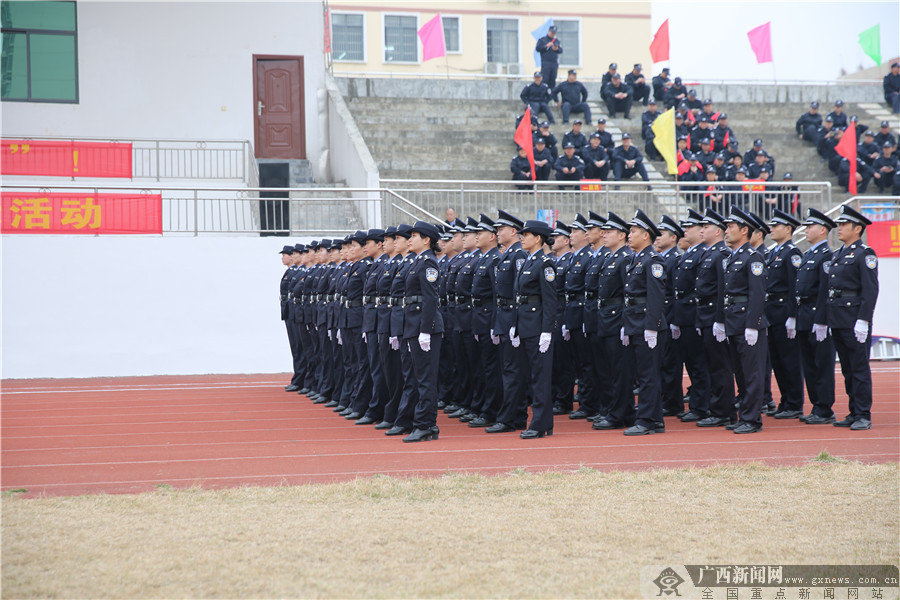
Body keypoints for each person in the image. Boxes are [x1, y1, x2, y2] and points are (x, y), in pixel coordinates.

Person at [826, 205, 879, 431]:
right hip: (838, 317)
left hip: (854, 317)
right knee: (847, 368)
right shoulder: (839, 254)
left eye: (844, 224)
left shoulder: (864, 254)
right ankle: (853, 410)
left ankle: (863, 413)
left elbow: (870, 290)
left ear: (858, 229)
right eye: (838, 224)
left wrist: (864, 320)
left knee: (858, 368)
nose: (839, 228)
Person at [619, 209, 667, 435]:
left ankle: (646, 420)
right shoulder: (637, 259)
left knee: (648, 375)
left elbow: (656, 296)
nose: (629, 235)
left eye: (634, 231)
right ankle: (656, 419)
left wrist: (651, 326)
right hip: (636, 322)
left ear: (646, 235)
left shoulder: (653, 260)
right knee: (646, 373)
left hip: (648, 324)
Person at [590, 212, 635, 430]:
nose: (604, 235)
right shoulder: (611, 257)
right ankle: (615, 410)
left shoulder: (625, 258)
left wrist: (626, 324)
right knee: (609, 369)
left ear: (621, 235)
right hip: (606, 318)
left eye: (609, 232)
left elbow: (628, 294)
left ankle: (620, 413)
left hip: (618, 319)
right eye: (604, 232)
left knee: (620, 370)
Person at [513, 220, 558, 439]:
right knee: (532, 377)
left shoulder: (545, 264)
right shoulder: (528, 262)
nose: (522, 238)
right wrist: (515, 326)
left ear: (538, 238)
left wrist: (547, 331)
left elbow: (550, 301)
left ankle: (540, 423)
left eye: (526, 235)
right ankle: (543, 423)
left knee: (540, 378)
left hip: (537, 328)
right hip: (526, 326)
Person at [400, 221, 444, 442]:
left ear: (426, 240)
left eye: (414, 236)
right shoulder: (417, 262)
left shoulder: (428, 263)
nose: (410, 239)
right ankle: (429, 424)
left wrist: (425, 330)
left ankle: (424, 424)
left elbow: (429, 299)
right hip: (414, 325)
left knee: (425, 378)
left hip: (423, 327)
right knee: (420, 377)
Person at [487, 210, 529, 433]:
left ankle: (509, 418)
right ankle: (515, 416)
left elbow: (518, 292)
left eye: (501, 229)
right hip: (503, 318)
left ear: (513, 231)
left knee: (512, 371)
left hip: (512, 319)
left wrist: (514, 323)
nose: (498, 233)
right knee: (508, 369)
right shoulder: (507, 255)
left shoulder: (518, 255)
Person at [694, 209, 736, 429]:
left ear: (717, 231)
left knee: (720, 365)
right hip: (705, 315)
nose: (702, 231)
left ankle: (723, 411)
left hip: (714, 315)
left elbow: (722, 289)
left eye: (706, 227)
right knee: (713, 364)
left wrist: (720, 320)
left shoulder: (721, 254)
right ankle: (718, 407)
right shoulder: (708, 252)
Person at [795, 209, 837, 425]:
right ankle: (816, 405)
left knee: (822, 364)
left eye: (810, 227)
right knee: (809, 365)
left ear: (822, 230)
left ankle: (825, 408)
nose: (806, 230)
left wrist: (822, 320)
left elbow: (824, 291)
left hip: (817, 318)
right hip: (803, 317)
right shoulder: (808, 254)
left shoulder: (827, 257)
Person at [671, 209, 712, 422]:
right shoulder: (689, 253)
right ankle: (698, 404)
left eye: (690, 227)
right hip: (684, 315)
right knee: (692, 363)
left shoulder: (701, 253)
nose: (685, 231)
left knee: (699, 364)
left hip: (694, 314)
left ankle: (701, 406)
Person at [763, 210, 804, 420]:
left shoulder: (792, 253)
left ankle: (795, 403)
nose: (771, 228)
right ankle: (785, 401)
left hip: (783, 312)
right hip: (772, 312)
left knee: (789, 360)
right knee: (777, 360)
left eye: (776, 225)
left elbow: (794, 287)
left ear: (788, 229)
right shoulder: (773, 253)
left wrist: (792, 316)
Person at [467, 214, 502, 428]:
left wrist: (495, 324)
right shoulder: (483, 258)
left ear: (491, 237)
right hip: (479, 317)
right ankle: (482, 406)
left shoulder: (495, 258)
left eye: (480, 233)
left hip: (489, 318)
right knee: (481, 367)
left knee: (491, 369)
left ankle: (491, 411)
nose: (476, 236)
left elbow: (498, 294)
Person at [562, 213, 597, 418]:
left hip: (582, 313)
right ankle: (586, 402)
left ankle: (589, 404)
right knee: (579, 362)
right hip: (572, 313)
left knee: (586, 363)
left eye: (575, 231)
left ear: (586, 236)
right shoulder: (577, 256)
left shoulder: (586, 257)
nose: (571, 234)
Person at [655, 215, 685, 418]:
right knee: (662, 362)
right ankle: (666, 399)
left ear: (673, 238)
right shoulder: (662, 258)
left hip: (669, 315)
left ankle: (673, 402)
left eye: (661, 234)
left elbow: (674, 293)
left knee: (670, 362)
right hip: (662, 315)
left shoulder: (674, 258)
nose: (656, 238)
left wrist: (674, 320)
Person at [549, 221, 575, 414]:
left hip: (562, 313)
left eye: (557, 237)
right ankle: (557, 395)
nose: (553, 240)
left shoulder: (568, 261)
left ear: (566, 241)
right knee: (555, 360)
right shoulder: (554, 260)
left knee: (563, 361)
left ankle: (563, 399)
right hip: (554, 314)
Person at [279, 245, 303, 391]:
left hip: (296, 311)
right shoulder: (291, 272)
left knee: (300, 348)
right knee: (296, 348)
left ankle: (301, 379)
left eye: (285, 255)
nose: (284, 258)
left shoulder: (296, 271)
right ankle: (300, 378)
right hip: (290, 310)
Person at [535, 25, 562, 89]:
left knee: (552, 81)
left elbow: (561, 50)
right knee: (545, 80)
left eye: (554, 33)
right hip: (546, 63)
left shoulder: (556, 41)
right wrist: (546, 46)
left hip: (554, 63)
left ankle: (552, 95)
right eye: (551, 32)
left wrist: (557, 49)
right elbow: (538, 48)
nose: (553, 34)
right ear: (548, 31)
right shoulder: (542, 40)